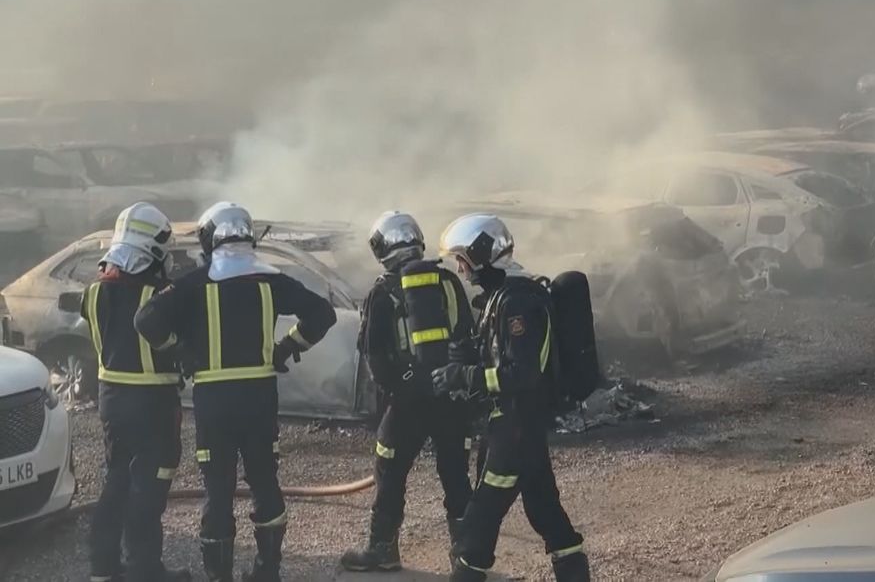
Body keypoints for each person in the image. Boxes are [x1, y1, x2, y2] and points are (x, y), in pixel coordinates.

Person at [135, 202, 337, 582]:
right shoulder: (272, 281)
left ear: (209, 239)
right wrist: (287, 347)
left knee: (218, 488)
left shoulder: (193, 283)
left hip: (214, 401)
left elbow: (145, 319)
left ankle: (219, 576)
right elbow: (323, 314)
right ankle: (267, 571)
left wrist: (181, 351)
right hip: (260, 397)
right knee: (265, 481)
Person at [432, 213, 590, 582]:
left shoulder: (518, 303)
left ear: (481, 255)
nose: (461, 269)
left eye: (462, 260)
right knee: (545, 511)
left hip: (516, 424)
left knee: (480, 519)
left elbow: (522, 374)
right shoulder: (502, 297)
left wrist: (465, 376)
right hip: (517, 423)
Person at [340, 211, 475, 572]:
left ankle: (382, 549)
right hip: (451, 395)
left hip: (406, 404)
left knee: (389, 471)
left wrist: (400, 389)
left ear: (381, 248)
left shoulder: (382, 292)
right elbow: (466, 333)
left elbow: (373, 356)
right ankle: (467, 557)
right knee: (456, 476)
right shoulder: (448, 280)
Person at [86, 203, 191, 582]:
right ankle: (145, 570)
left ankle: (103, 568)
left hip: (111, 400)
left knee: (116, 479)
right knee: (150, 487)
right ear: (153, 250)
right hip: (153, 404)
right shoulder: (158, 296)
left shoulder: (93, 292)